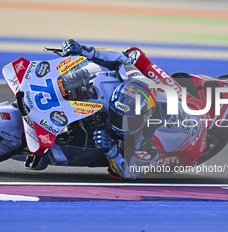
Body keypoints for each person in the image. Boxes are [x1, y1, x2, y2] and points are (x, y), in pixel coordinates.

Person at [60, 39, 208, 180]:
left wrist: (111, 150)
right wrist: (84, 50)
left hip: (192, 148)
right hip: (183, 101)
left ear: (145, 118)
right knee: (133, 54)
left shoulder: (148, 142)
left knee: (119, 171)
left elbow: (129, 173)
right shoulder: (134, 77)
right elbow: (121, 59)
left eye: (127, 121)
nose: (118, 123)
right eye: (118, 115)